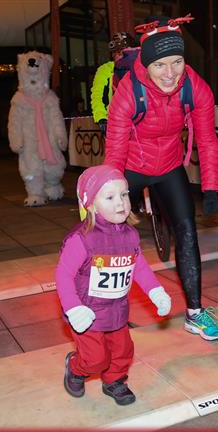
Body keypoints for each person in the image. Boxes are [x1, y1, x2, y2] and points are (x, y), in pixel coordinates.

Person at [104, 15, 218, 342]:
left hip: (170, 165)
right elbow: (114, 151)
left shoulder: (195, 87)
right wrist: (111, 195)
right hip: (131, 165)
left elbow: (206, 140)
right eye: (160, 65)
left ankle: (195, 314)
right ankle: (107, 314)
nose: (170, 73)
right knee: (110, 237)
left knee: (187, 231)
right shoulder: (128, 93)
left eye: (177, 62)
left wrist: (211, 187)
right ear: (146, 65)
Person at [56, 165, 172, 406]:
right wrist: (74, 308)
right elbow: (63, 275)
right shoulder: (81, 239)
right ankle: (76, 368)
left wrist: (156, 292)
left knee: (123, 351)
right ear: (90, 204)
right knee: (95, 359)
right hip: (87, 315)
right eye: (109, 197)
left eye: (124, 194)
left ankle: (115, 381)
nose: (120, 202)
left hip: (117, 311)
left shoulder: (130, 235)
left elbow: (139, 267)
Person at [90, 32, 140, 134]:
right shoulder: (106, 69)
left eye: (121, 51)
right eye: (115, 51)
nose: (117, 54)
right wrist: (101, 117)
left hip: (141, 118)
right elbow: (97, 95)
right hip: (116, 120)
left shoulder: (140, 66)